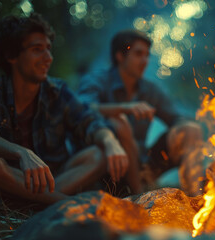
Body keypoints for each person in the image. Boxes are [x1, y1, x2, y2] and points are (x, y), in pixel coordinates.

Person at [0, 13, 129, 204]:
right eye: (37, 49)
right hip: (9, 178)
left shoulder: (57, 91)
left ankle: (35, 201)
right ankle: (65, 203)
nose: (48, 58)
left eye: (48, 49)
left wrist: (110, 142)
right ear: (11, 55)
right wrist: (21, 152)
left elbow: (89, 121)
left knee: (98, 154)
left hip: (53, 181)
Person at [78, 30, 203, 195]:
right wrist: (124, 108)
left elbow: (175, 118)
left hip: (143, 167)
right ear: (120, 56)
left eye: (147, 55)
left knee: (190, 129)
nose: (145, 61)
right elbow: (80, 108)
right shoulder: (98, 80)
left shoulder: (149, 90)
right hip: (109, 167)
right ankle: (139, 198)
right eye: (138, 54)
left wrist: (187, 133)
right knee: (119, 122)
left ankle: (195, 198)